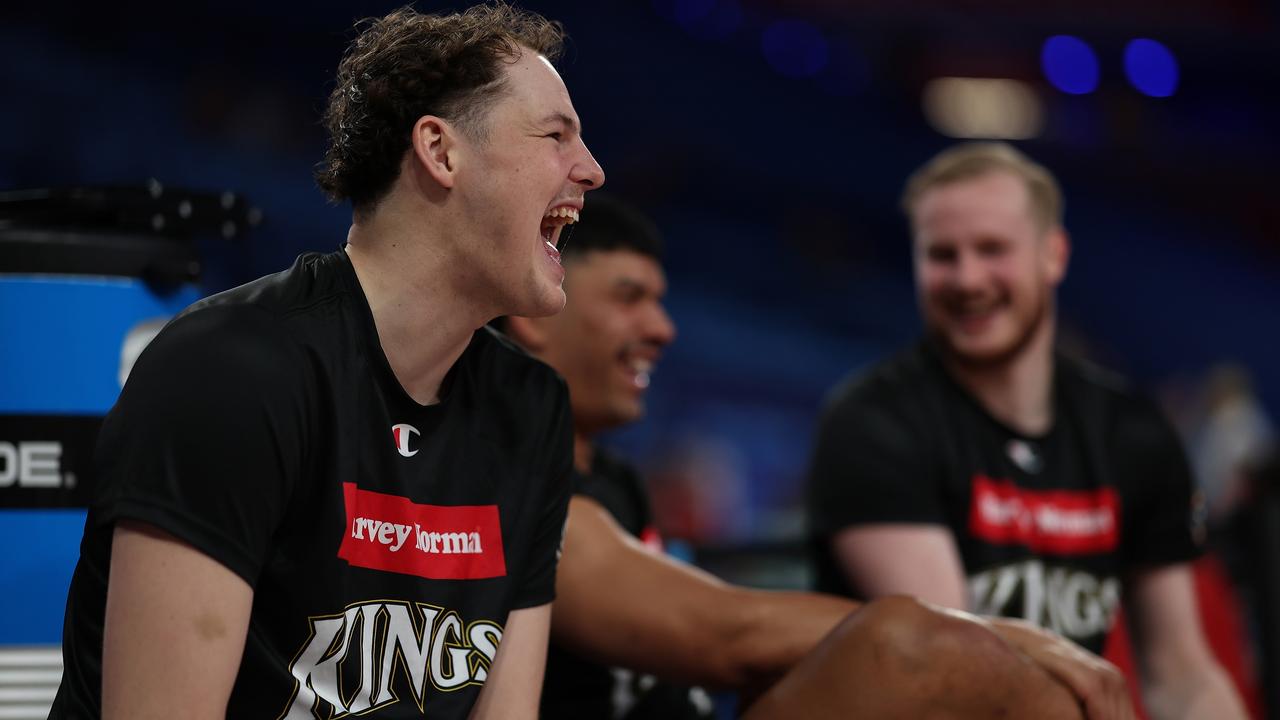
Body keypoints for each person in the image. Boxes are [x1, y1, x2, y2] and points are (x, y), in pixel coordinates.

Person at [50, 5, 603, 718]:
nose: (590, 169)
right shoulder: (231, 371)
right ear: (441, 152)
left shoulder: (532, 408)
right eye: (556, 135)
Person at [503, 194, 1135, 720]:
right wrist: (989, 635)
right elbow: (725, 635)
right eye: (628, 296)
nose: (662, 328)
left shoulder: (612, 480)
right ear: (536, 314)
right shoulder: (511, 475)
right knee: (904, 647)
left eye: (660, 300)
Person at [806, 142, 1248, 719]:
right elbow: (963, 676)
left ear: (1053, 254)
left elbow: (1182, 676)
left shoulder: (1132, 429)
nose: (967, 278)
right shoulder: (871, 421)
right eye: (942, 254)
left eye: (992, 250)